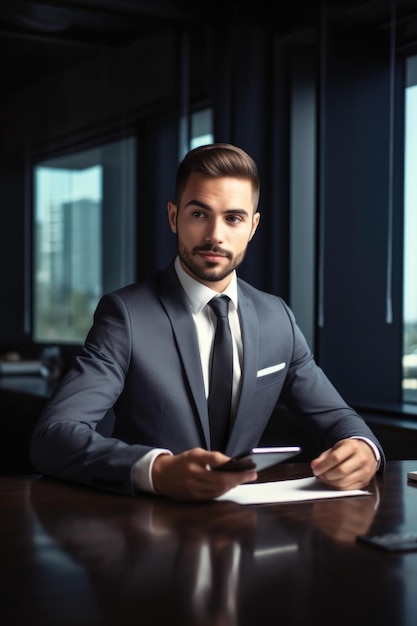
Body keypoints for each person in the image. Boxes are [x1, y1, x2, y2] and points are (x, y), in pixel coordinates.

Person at [29, 142, 385, 501]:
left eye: (233, 218)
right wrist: (157, 469)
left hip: (245, 532)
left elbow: (337, 416)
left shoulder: (277, 318)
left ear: (252, 226)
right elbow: (53, 436)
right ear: (174, 217)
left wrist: (362, 448)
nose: (216, 235)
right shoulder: (126, 315)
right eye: (199, 214)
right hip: (148, 529)